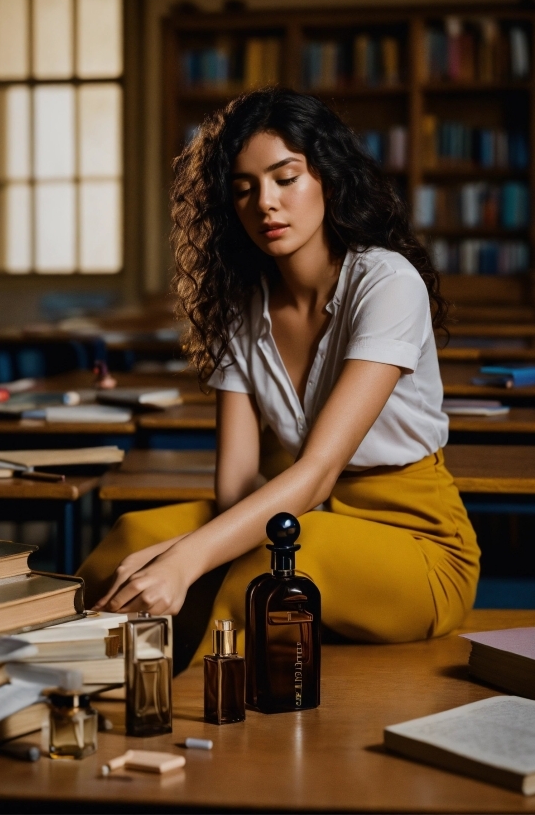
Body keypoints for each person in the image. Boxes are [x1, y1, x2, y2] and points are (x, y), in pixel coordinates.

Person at [78, 88, 480, 668]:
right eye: (244, 189)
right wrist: (170, 552)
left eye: (285, 178)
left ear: (328, 179)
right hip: (297, 522)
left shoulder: (387, 282)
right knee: (134, 537)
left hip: (419, 548)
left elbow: (315, 475)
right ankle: (59, 675)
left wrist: (188, 561)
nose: (265, 203)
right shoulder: (241, 307)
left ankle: (151, 708)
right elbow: (236, 486)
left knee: (277, 556)